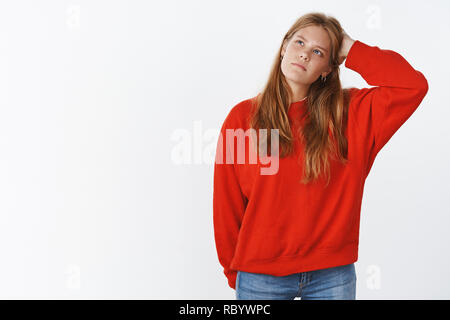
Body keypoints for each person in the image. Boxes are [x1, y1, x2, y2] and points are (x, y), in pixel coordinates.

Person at [213, 12, 428, 300]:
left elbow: (412, 85)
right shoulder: (241, 118)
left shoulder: (351, 114)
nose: (303, 55)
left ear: (328, 67)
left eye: (317, 52)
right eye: (299, 43)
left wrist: (350, 48)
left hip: (332, 274)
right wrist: (233, 271)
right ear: (283, 47)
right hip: (260, 275)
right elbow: (226, 202)